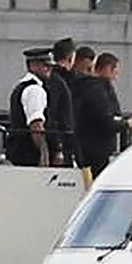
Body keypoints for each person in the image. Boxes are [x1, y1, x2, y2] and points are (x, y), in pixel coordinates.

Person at [75, 52, 132, 179]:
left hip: (89, 147)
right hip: (97, 149)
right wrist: (127, 124)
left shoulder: (87, 86)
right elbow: (105, 120)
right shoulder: (97, 90)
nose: (116, 76)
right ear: (107, 68)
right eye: (115, 71)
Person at [7, 46, 53, 167]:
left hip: (18, 152)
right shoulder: (35, 90)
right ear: (33, 65)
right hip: (29, 155)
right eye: (45, 65)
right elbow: (36, 126)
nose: (49, 69)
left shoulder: (20, 86)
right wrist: (44, 154)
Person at [47, 38, 79, 167]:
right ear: (70, 57)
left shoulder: (52, 78)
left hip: (61, 141)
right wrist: (58, 147)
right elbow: (54, 115)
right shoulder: (61, 81)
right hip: (63, 141)